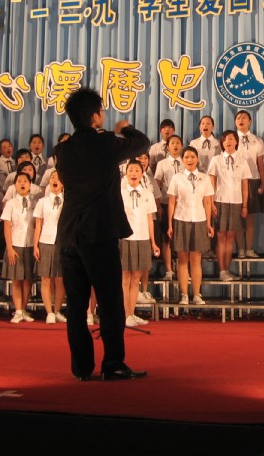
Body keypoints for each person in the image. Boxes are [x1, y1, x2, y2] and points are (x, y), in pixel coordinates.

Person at [54, 87, 150, 381]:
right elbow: (142, 143)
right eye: (102, 111)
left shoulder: (63, 150)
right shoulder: (105, 142)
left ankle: (81, 368)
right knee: (110, 302)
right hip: (98, 232)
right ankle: (113, 363)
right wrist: (125, 128)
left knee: (76, 304)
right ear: (95, 116)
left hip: (69, 233)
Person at [167, 146, 215, 304]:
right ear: (182, 160)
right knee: (182, 259)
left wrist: (208, 223)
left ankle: (196, 294)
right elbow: (172, 202)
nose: (190, 160)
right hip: (181, 219)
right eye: (186, 157)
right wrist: (170, 224)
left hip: (199, 219)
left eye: (192, 157)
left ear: (197, 159)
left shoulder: (204, 178)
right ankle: (184, 294)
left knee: (196, 258)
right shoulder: (177, 178)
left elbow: (207, 202)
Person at [120, 160, 160, 327]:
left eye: (137, 170)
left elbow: (150, 219)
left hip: (142, 238)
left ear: (142, 173)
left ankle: (131, 313)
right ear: (126, 173)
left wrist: (153, 242)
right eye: (131, 170)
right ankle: (125, 315)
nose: (134, 173)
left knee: (136, 278)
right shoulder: (120, 193)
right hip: (125, 239)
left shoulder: (147, 194)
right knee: (125, 278)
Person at [208, 130, 250, 281]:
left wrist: (244, 205)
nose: (228, 142)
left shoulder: (242, 161)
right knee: (220, 236)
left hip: (236, 201)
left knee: (230, 237)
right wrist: (211, 203)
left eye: (231, 139)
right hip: (220, 201)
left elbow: (245, 185)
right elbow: (211, 184)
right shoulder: (216, 160)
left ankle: (227, 269)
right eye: (225, 139)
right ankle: (222, 270)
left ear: (236, 142)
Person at [1, 172, 36, 324]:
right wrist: (9, 248)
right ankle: (18, 311)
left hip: (30, 244)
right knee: (16, 280)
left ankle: (24, 309)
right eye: (19, 181)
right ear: (15, 185)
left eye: (25, 181)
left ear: (30, 184)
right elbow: (6, 226)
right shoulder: (10, 203)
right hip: (15, 244)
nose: (22, 183)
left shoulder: (35, 202)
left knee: (28, 280)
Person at [33, 170, 66, 323]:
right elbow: (38, 225)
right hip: (45, 241)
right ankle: (49, 312)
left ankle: (57, 310)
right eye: (52, 177)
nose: (55, 180)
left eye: (58, 178)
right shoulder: (42, 202)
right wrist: (35, 245)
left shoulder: (68, 200)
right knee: (46, 278)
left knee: (60, 279)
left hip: (63, 242)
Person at [235, 110, 264, 258]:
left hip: (253, 180)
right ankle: (240, 249)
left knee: (250, 217)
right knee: (237, 218)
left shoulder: (257, 140)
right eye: (238, 118)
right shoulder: (231, 138)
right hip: (236, 181)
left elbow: (260, 163)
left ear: (250, 121)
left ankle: (249, 248)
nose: (241, 120)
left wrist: (262, 183)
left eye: (244, 118)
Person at [154, 134, 184, 280]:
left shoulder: (186, 161)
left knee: (182, 238)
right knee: (167, 238)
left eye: (178, 143)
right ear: (168, 147)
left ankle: (183, 270)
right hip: (166, 203)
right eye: (172, 143)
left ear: (182, 146)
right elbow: (157, 185)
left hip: (183, 205)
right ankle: (169, 270)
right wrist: (158, 206)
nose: (175, 145)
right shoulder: (162, 164)